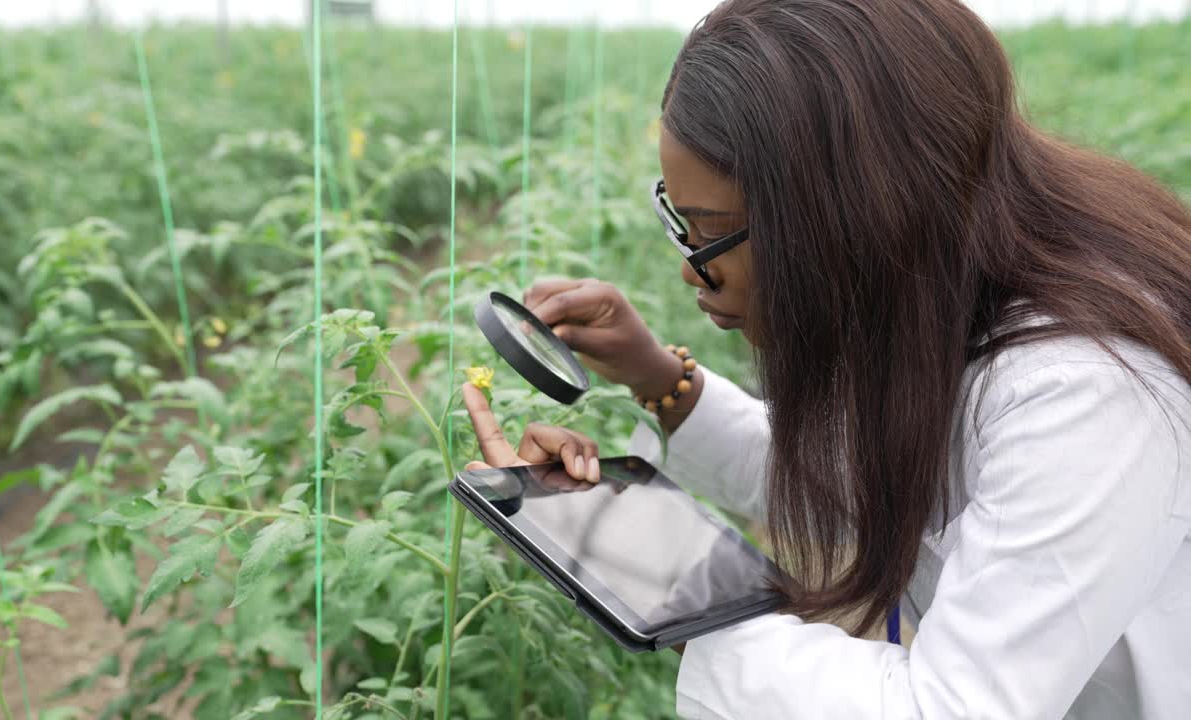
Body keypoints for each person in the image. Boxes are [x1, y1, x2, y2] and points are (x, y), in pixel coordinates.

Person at [460, 0, 1191, 717]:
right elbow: (847, 475)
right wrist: (658, 382)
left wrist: (657, 592)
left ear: (855, 215)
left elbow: (949, 708)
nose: (692, 270)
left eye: (712, 232)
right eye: (679, 222)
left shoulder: (1085, 390)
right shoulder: (948, 295)